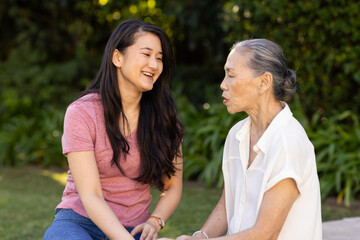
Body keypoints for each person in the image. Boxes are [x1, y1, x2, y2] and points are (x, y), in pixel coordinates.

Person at [160, 39, 322, 240]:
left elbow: (265, 233)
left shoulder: (288, 142)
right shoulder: (237, 135)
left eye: (231, 75)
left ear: (264, 82)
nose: (223, 84)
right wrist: (199, 237)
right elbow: (228, 204)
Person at [43, 19, 184, 240]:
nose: (155, 65)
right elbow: (91, 195)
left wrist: (155, 222)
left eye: (159, 58)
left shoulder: (164, 117)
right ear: (117, 57)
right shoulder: (82, 112)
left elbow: (173, 185)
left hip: (135, 228)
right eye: (146, 54)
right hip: (81, 222)